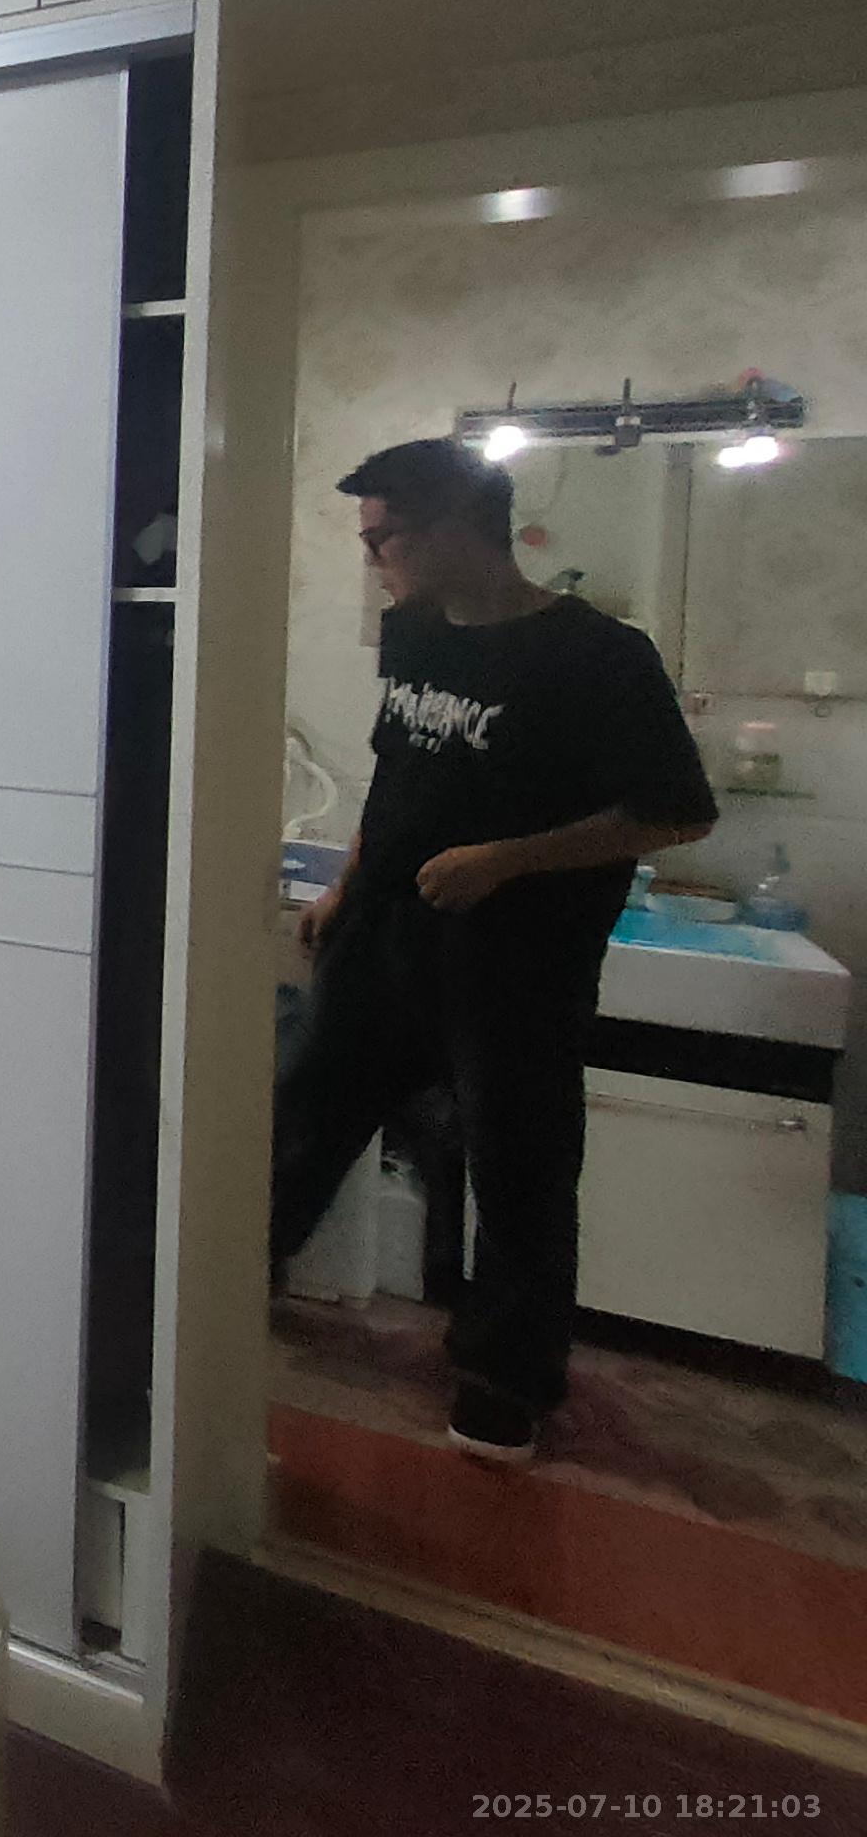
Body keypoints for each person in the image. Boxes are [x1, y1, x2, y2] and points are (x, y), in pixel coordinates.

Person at [273, 436, 716, 1462]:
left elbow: (677, 814)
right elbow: (398, 776)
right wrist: (345, 886)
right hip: (386, 936)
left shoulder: (599, 656)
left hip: (518, 962)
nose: (372, 561)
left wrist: (507, 861)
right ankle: (221, 1284)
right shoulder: (414, 631)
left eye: (384, 540)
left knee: (519, 1168)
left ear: (458, 530)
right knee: (305, 1117)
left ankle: (505, 1379)